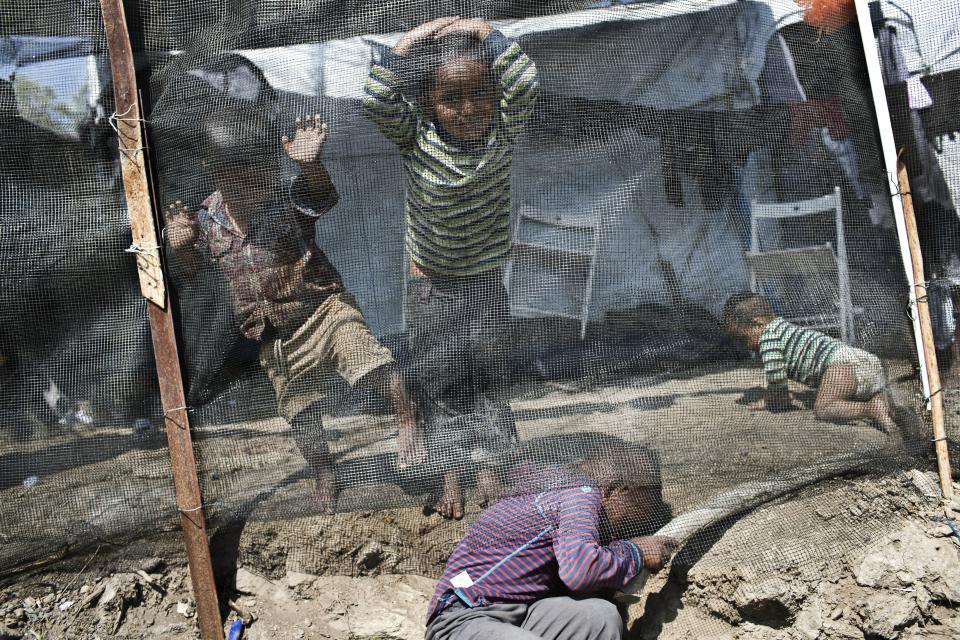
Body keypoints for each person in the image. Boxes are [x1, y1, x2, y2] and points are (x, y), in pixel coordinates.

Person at [164, 104, 424, 512]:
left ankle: (406, 418)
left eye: (259, 174)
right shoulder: (205, 221)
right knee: (300, 411)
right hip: (274, 335)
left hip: (323, 309)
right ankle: (324, 470)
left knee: (370, 362)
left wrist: (312, 165)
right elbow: (193, 275)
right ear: (212, 170)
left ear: (271, 165)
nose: (251, 186)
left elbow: (319, 196)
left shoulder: (286, 198)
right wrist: (181, 248)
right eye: (236, 179)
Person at [362, 16, 539, 520]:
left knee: (486, 377)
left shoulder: (503, 131)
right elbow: (375, 96)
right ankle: (450, 474)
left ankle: (488, 469)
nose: (467, 110)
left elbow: (524, 78)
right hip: (432, 288)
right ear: (429, 105)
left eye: (479, 94)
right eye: (451, 99)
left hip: (484, 284)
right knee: (441, 383)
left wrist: (481, 29)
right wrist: (415, 40)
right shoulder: (416, 137)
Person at [425, 444, 676, 640]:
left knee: (600, 617)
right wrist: (636, 551)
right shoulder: (580, 491)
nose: (648, 514)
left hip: (521, 614)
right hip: (464, 619)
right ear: (616, 490)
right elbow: (580, 570)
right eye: (646, 500)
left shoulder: (554, 482)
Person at [722, 291, 897, 433]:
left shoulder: (768, 338)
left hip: (842, 365)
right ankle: (887, 411)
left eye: (744, 339)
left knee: (823, 408)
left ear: (758, 323)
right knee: (873, 396)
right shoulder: (783, 327)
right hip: (868, 362)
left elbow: (776, 376)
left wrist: (775, 398)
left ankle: (869, 409)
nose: (747, 346)